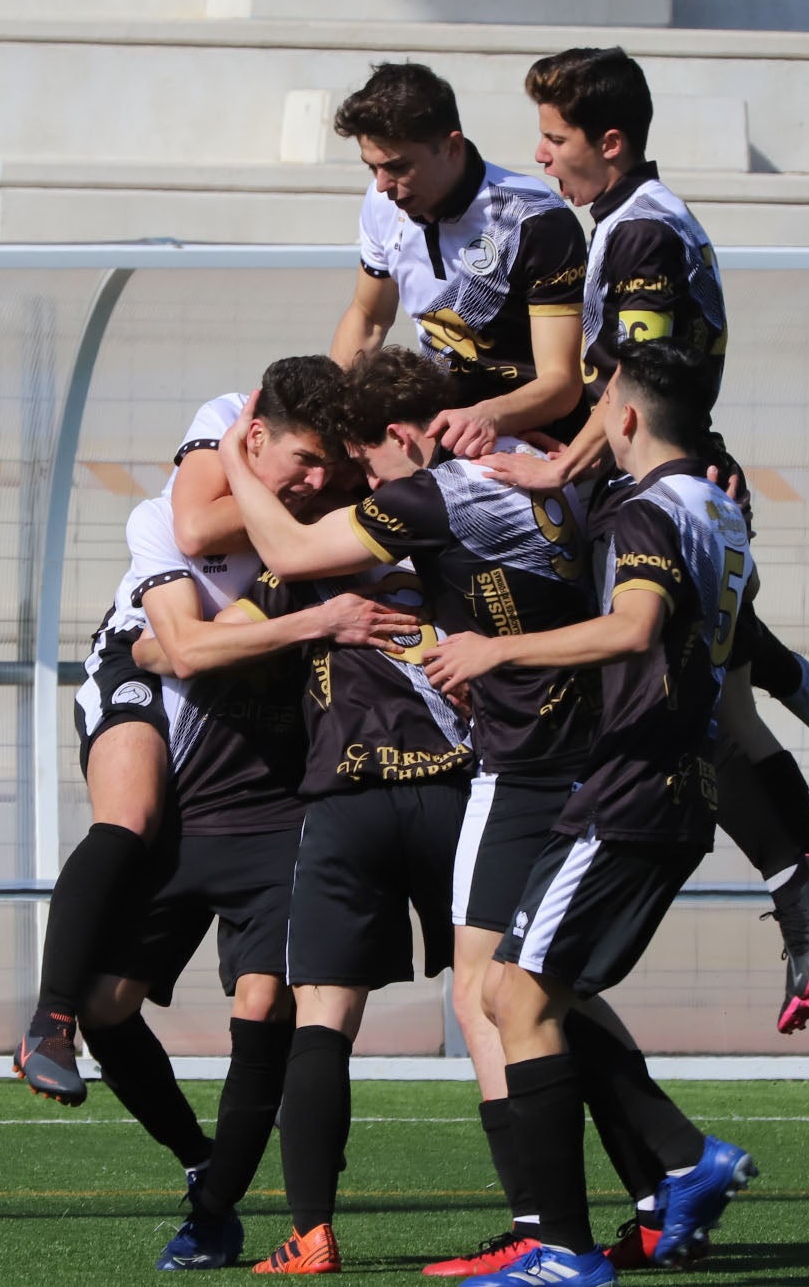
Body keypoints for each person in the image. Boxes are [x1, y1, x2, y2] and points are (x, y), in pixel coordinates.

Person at [221, 348, 741, 1275]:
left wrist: (230, 461)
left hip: (528, 767)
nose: (365, 487)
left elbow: (291, 551)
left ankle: (567, 1222)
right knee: (541, 986)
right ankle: (656, 1186)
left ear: (392, 438)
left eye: (365, 466)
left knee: (493, 993)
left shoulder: (438, 492)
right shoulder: (559, 477)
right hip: (594, 751)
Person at [496, 45, 809, 1035]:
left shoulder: (642, 238)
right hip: (691, 485)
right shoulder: (629, 224)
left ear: (610, 143)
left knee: (697, 713)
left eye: (556, 137)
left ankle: (803, 872)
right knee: (719, 710)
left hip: (678, 487)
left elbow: (638, 375)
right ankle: (785, 698)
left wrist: (554, 467)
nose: (541, 156)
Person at [14, 359, 407, 1271]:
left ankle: (217, 1205)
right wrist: (301, 626)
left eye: (330, 469)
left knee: (263, 1007)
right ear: (250, 437)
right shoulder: (166, 521)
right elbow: (169, 646)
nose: (316, 485)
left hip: (279, 807)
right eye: (299, 463)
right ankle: (62, 1028)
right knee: (114, 1000)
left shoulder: (340, 529)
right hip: (192, 798)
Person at [421, 338, 760, 1286]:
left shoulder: (648, 510)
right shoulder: (719, 512)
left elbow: (634, 626)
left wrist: (498, 651)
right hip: (665, 785)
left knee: (516, 1000)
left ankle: (563, 1247)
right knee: (509, 990)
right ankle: (682, 1163)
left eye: (600, 395)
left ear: (622, 418)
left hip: (630, 788)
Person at [214, 397, 477, 1276]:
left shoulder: (310, 561)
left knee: (322, 1021)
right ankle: (579, 1210)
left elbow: (211, 642)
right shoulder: (463, 541)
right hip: (454, 796)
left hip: (348, 801)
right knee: (516, 1005)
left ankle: (312, 1234)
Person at [328, 61, 589, 456]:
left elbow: (561, 385)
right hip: (435, 421)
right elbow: (368, 318)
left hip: (525, 435)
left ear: (452, 147)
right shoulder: (383, 199)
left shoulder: (535, 219)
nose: (381, 185)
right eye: (372, 168)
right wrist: (336, 418)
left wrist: (485, 416)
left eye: (397, 167)